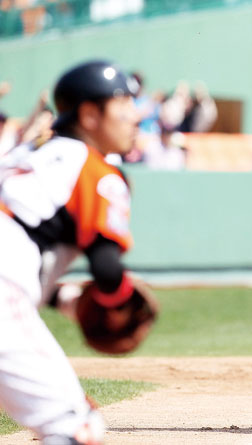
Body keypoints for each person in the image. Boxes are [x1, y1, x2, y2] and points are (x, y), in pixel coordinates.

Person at [0, 59, 140, 444]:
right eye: (124, 105)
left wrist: (64, 297)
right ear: (90, 114)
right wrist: (118, 301)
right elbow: (107, 269)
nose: (135, 116)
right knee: (75, 425)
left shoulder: (26, 153)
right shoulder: (94, 169)